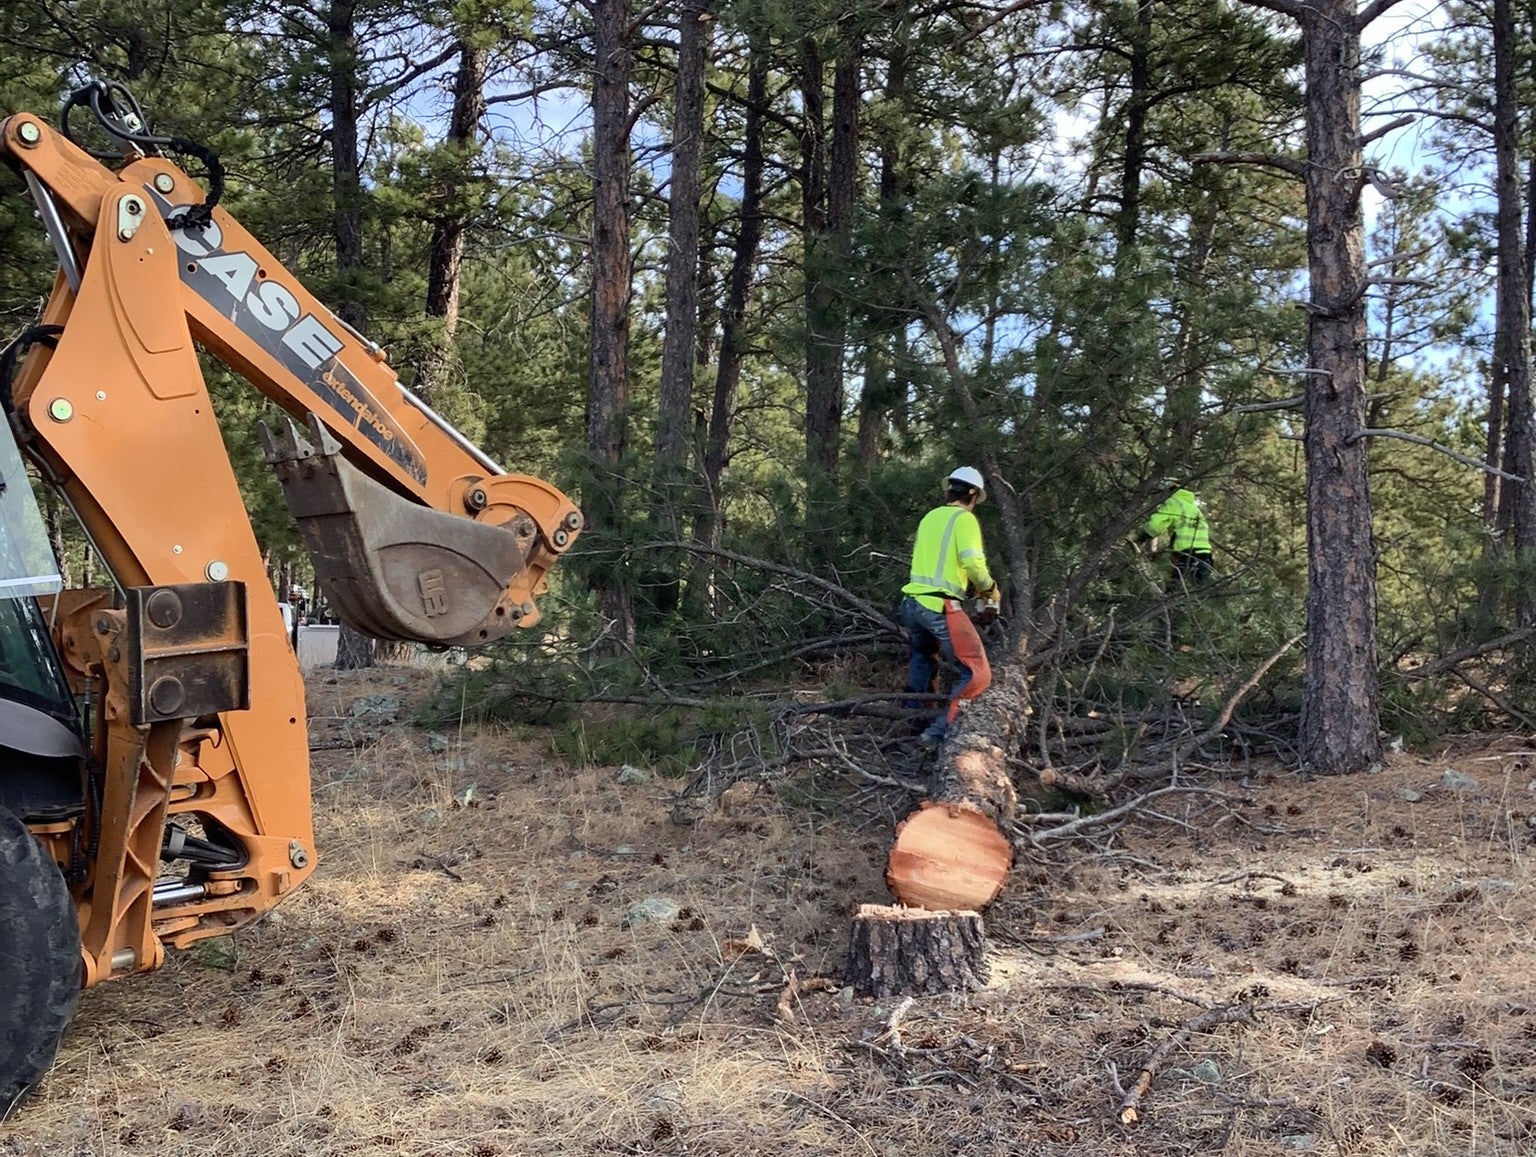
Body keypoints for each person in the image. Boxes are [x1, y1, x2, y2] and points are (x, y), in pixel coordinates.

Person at [898, 467, 999, 749]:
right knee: (976, 672)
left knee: (922, 656)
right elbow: (973, 564)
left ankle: (914, 721)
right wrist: (989, 589)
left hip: (911, 603)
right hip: (939, 604)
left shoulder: (930, 517)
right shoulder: (965, 519)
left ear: (948, 490)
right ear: (974, 496)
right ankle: (937, 733)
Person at [1144, 482, 1213, 589]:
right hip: (1205, 555)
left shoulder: (1173, 502)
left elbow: (1155, 524)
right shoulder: (1194, 508)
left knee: (1173, 590)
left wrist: (1141, 537)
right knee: (1200, 590)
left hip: (1185, 554)